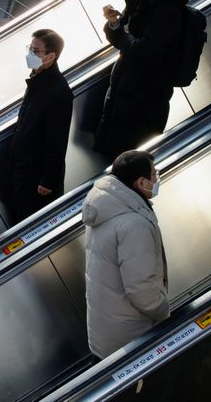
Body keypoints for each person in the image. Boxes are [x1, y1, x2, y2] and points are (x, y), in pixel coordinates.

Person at [95, 0, 189, 161]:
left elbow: (141, 50)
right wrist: (114, 23)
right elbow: (126, 41)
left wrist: (122, 36)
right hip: (126, 91)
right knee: (116, 156)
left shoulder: (168, 11)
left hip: (144, 99)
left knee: (129, 161)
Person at [83, 150, 169, 359]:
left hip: (106, 330)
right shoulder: (133, 224)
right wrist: (163, 310)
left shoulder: (105, 207)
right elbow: (141, 290)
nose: (156, 179)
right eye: (153, 175)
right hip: (130, 336)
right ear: (141, 182)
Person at [4, 29, 73, 223]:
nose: (30, 55)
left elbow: (58, 140)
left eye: (35, 51)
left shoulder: (58, 92)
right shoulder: (37, 80)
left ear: (51, 56)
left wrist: (48, 180)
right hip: (22, 171)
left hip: (36, 182)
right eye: (30, 48)